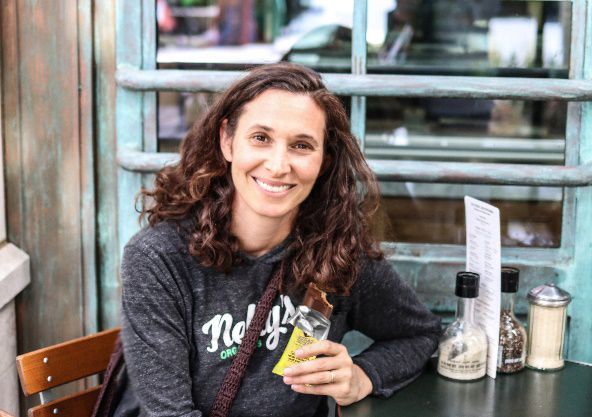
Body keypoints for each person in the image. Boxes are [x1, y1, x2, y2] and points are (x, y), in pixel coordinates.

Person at [115, 62, 441, 417]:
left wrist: (362, 377)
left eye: (301, 145)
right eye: (261, 138)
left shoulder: (336, 249)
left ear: (324, 162)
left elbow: (419, 334)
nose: (278, 165)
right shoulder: (159, 259)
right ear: (227, 141)